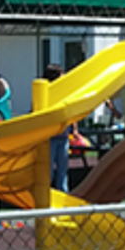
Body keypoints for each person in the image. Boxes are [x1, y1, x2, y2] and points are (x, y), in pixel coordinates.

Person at [43, 64, 75, 192]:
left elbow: (70, 111)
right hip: (49, 137)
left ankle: (63, 194)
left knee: (63, 170)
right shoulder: (45, 93)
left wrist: (74, 129)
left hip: (63, 135)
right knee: (48, 170)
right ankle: (46, 194)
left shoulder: (63, 93)